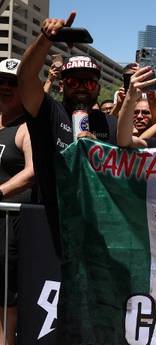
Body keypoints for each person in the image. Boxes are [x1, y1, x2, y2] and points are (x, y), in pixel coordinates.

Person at [17, 12, 118, 251]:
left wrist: (99, 153)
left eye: (89, 82)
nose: (82, 87)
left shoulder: (110, 124)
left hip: (99, 230)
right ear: (62, 85)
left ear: (98, 88)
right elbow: (25, 78)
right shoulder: (47, 112)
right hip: (51, 225)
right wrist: (46, 39)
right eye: (73, 82)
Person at [0, 58, 35, 345]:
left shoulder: (27, 127)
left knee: (5, 295)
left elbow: (32, 171)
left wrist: (0, 192)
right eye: (0, 82)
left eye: (12, 83)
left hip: (9, 223)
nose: (4, 88)